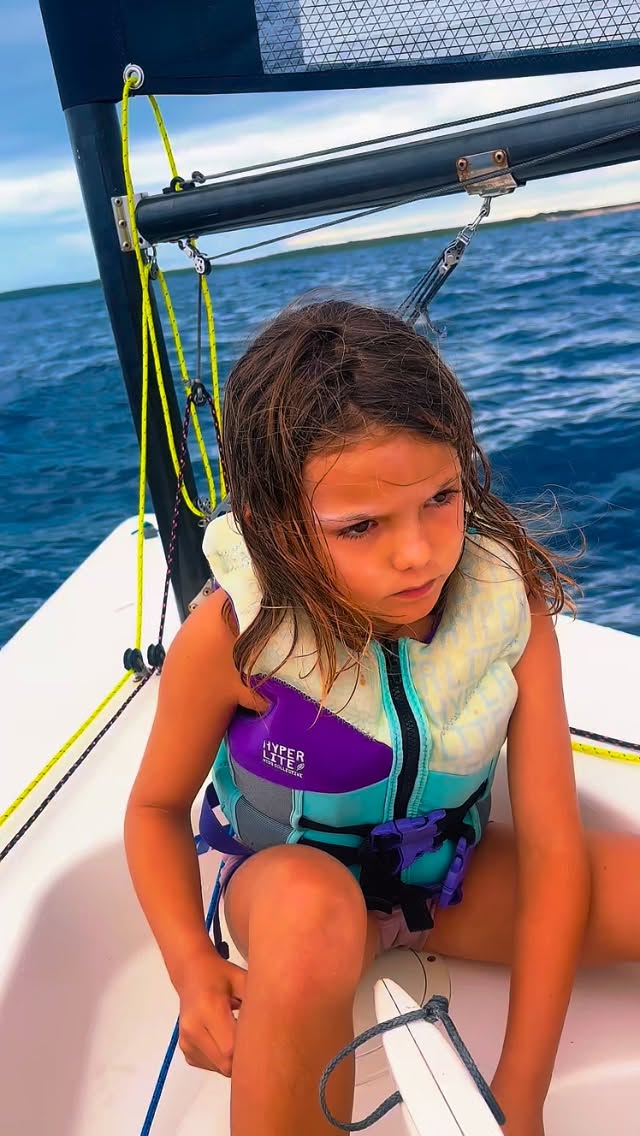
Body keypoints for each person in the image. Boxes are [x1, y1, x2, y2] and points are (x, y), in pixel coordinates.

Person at [125, 299, 640, 1136]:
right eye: (360, 526)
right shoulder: (234, 636)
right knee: (310, 908)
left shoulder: (507, 617)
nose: (418, 552)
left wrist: (522, 1090)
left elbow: (551, 854)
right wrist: (193, 964)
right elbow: (152, 810)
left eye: (441, 497)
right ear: (274, 527)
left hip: (444, 881)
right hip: (288, 890)